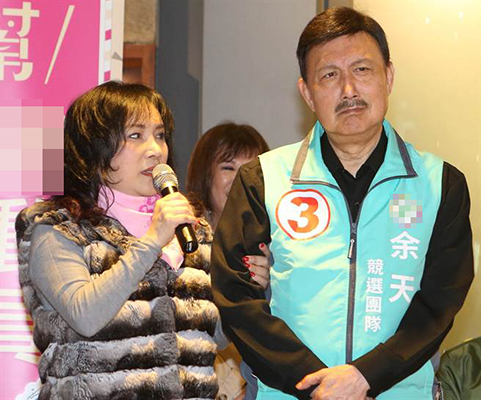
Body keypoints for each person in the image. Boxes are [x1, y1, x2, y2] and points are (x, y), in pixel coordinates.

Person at [211, 7, 474, 400]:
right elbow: (236, 297)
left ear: (388, 76)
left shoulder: (439, 184)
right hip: (292, 393)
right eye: (329, 75)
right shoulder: (263, 180)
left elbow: (440, 301)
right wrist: (316, 383)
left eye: (362, 70)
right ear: (307, 93)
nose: (348, 89)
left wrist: (365, 377)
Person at [16, 81, 220, 399]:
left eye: (160, 135)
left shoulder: (190, 227)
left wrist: (252, 287)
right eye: (136, 136)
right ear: (94, 149)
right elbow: (85, 316)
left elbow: (208, 338)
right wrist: (152, 241)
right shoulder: (59, 228)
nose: (156, 150)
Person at [186, 122, 271, 400]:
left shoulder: (278, 243)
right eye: (228, 167)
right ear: (204, 175)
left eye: (252, 169)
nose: (242, 178)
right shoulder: (183, 243)